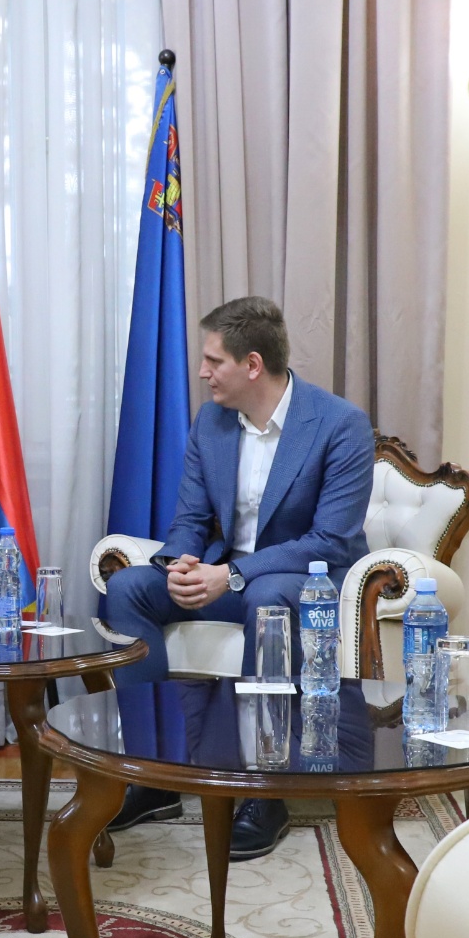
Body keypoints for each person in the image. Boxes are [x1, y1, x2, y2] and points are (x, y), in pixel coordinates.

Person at [102, 296, 374, 860]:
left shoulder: (339, 424)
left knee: (268, 598)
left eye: (213, 361)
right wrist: (178, 565)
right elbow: (190, 520)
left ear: (252, 365)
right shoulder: (212, 422)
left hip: (303, 583)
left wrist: (232, 573)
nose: (202, 373)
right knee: (129, 587)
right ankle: (153, 775)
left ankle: (263, 789)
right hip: (228, 577)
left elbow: (329, 539)